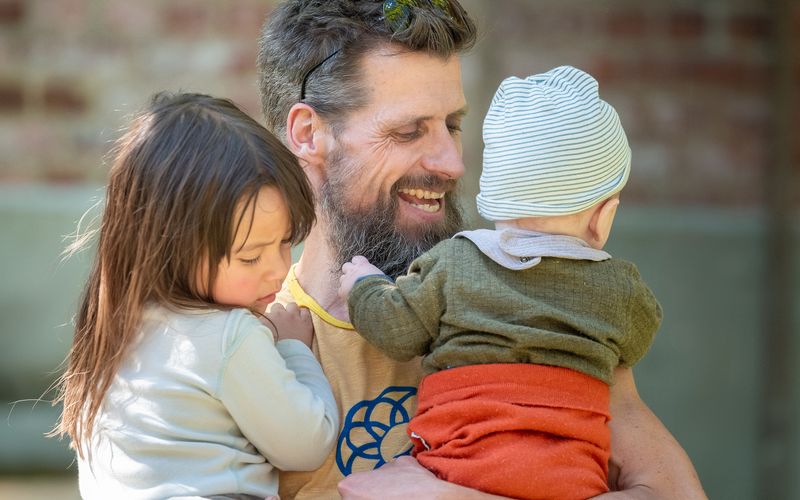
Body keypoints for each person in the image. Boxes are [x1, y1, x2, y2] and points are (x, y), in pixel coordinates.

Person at [256, 1, 706, 498]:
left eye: (452, 126)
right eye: (408, 131)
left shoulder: (537, 307)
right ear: (308, 133)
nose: (452, 163)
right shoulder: (255, 338)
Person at [338, 65, 662, 500]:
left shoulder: (454, 263)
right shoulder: (620, 289)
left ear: (495, 196)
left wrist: (364, 285)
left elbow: (395, 329)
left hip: (453, 471)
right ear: (604, 216)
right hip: (572, 484)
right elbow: (637, 341)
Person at [50, 92, 339, 499]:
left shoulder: (110, 329)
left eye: (285, 242)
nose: (278, 269)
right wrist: (294, 349)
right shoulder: (229, 336)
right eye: (250, 256)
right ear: (172, 246)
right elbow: (307, 443)